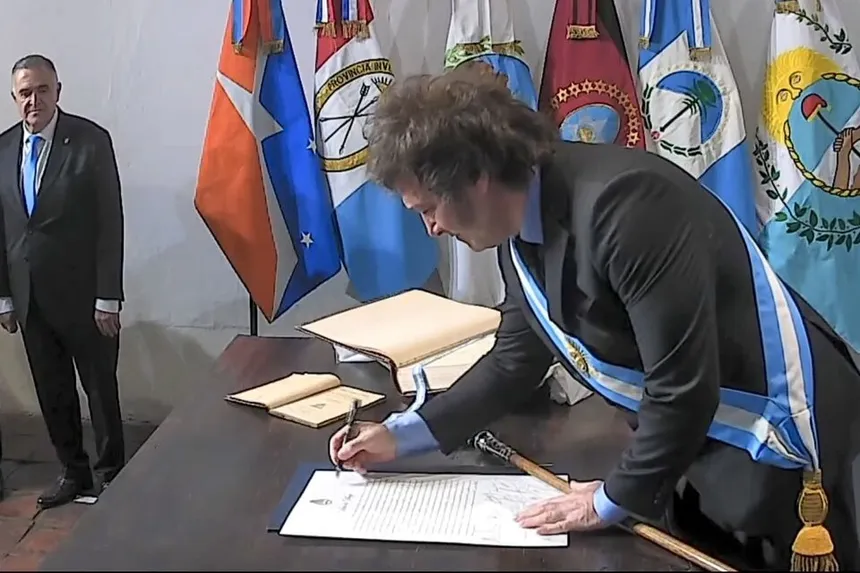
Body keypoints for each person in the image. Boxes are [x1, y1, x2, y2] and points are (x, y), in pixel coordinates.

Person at [328, 65, 860, 570]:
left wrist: (607, 500)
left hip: (790, 456)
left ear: (476, 177)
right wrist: (402, 436)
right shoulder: (523, 227)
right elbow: (515, 360)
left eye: (428, 209)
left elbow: (681, 389)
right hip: (700, 458)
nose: (432, 229)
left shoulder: (626, 207)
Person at [0, 54, 125, 508]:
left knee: (100, 391)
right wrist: (4, 298)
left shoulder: (90, 141)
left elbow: (110, 220)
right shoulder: (3, 148)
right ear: (14, 97)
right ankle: (74, 472)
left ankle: (112, 477)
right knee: (53, 393)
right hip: (30, 298)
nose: (34, 100)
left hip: (86, 298)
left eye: (42, 90)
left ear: (58, 91)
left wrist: (108, 296)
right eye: (25, 93)